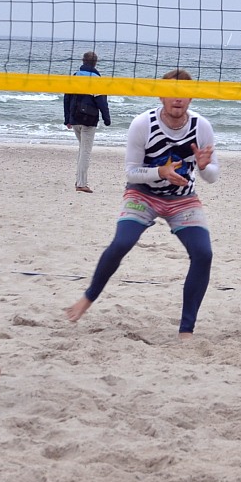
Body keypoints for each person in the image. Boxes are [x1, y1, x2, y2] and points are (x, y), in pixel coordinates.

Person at [64, 69, 219, 337]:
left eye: (183, 93)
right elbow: (131, 172)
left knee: (203, 254)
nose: (177, 98)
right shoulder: (143, 124)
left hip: (182, 199)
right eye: (171, 92)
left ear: (192, 97)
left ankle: (186, 331)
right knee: (122, 243)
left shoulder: (201, 126)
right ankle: (88, 297)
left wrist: (204, 167)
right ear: (160, 96)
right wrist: (161, 172)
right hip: (143, 194)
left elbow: (212, 176)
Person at [63, 51, 112, 193]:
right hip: (88, 120)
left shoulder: (75, 76)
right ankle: (81, 183)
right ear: (95, 63)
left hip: (75, 119)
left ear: (83, 61)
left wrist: (67, 119)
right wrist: (107, 119)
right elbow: (101, 102)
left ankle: (79, 180)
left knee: (82, 149)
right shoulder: (96, 79)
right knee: (85, 151)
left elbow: (67, 98)